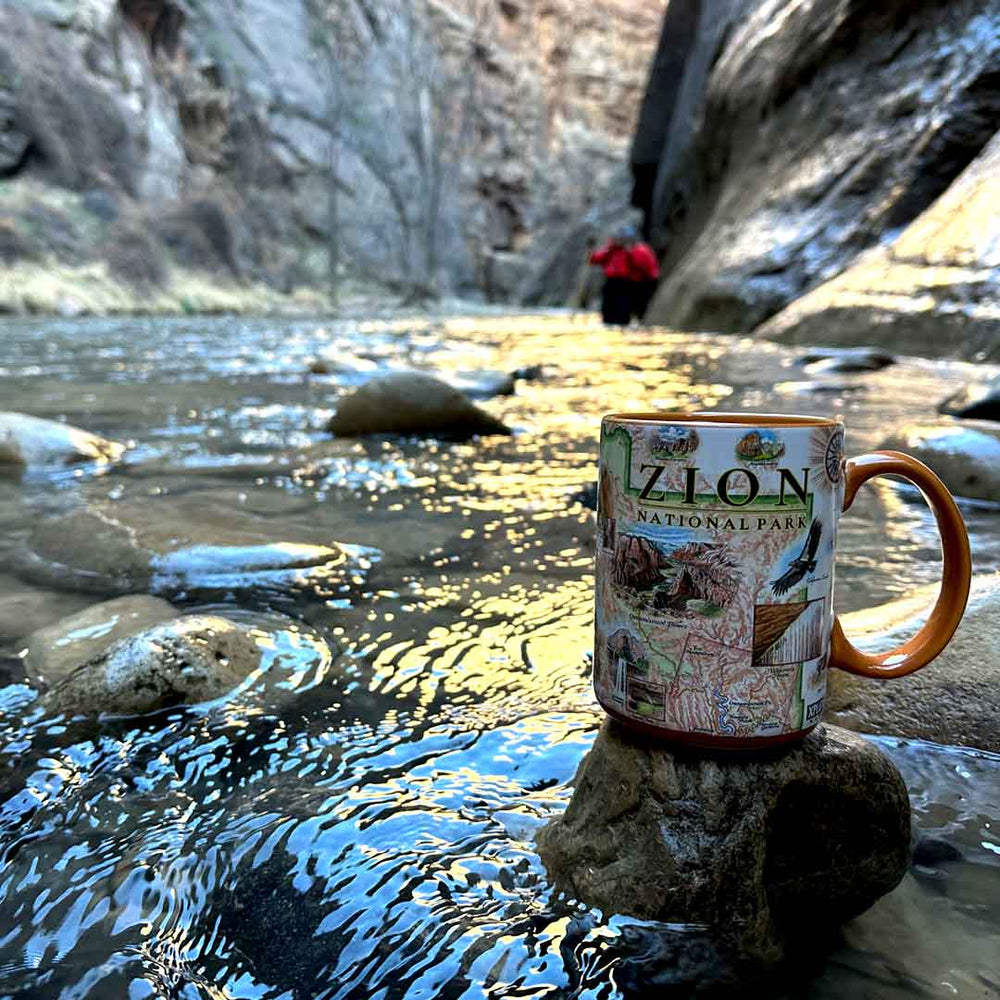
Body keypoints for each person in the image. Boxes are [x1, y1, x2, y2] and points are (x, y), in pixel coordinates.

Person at [589, 226, 660, 325]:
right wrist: (591, 249)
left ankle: (628, 322)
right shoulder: (611, 251)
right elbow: (595, 259)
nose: (618, 240)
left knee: (624, 311)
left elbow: (644, 267)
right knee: (608, 310)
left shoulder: (638, 250)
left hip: (628, 284)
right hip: (612, 283)